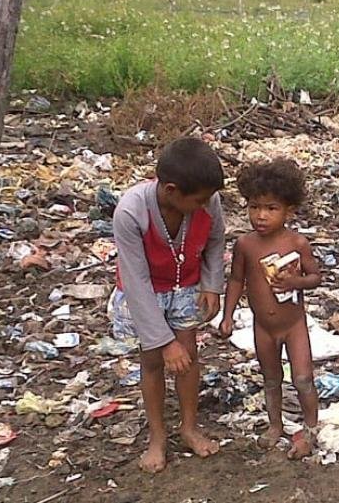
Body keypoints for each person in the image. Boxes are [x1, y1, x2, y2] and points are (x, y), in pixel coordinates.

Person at [108, 137, 226, 473]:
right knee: (153, 359)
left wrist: (211, 284)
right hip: (146, 291)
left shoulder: (208, 201)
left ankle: (188, 427)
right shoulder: (131, 211)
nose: (206, 205)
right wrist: (164, 340)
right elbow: (135, 281)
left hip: (186, 284)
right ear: (172, 190)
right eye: (199, 200)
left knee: (188, 356)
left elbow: (216, 240)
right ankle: (157, 437)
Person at [219, 158, 321, 458]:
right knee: (271, 378)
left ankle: (311, 428)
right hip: (262, 326)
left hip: (293, 325)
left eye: (271, 208)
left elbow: (315, 277)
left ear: (289, 211)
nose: (260, 216)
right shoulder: (245, 245)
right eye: (254, 207)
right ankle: (275, 425)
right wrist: (226, 317)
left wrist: (295, 283)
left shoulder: (297, 243)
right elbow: (236, 280)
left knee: (303, 379)